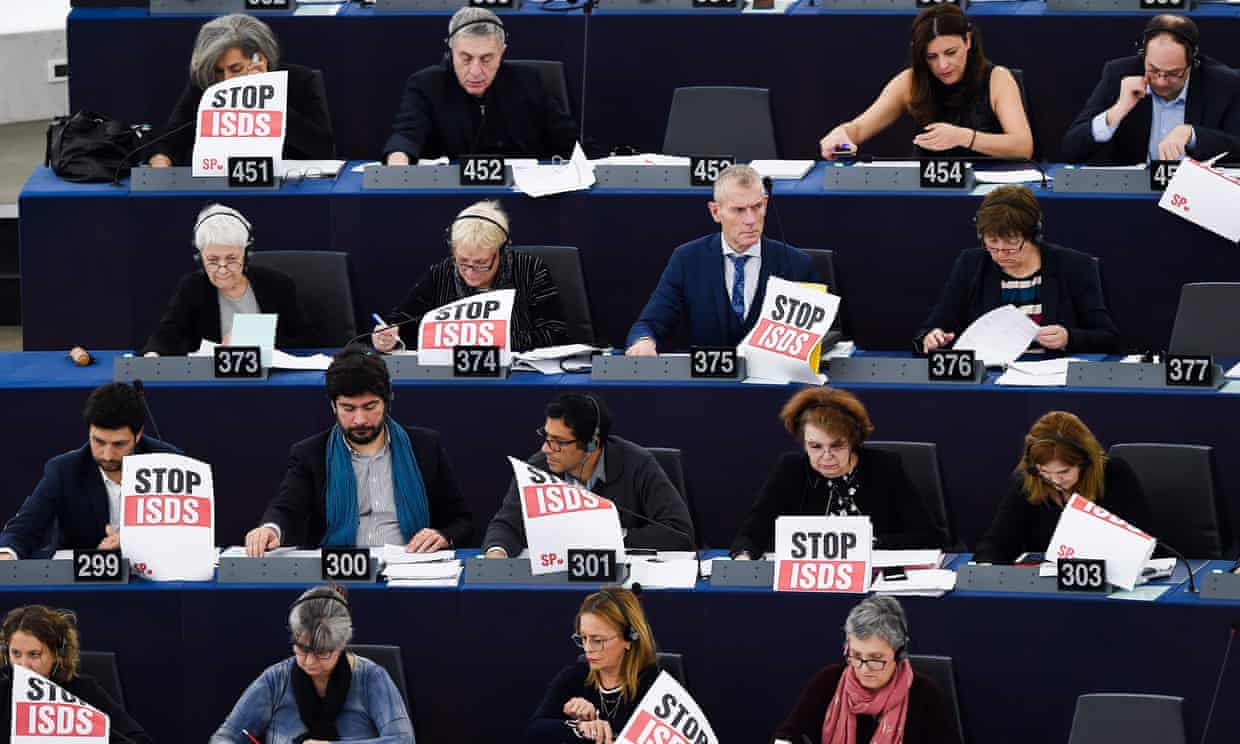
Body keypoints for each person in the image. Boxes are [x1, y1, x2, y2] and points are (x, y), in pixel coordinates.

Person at [245, 346, 472, 557]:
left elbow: (461, 521)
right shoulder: (310, 454)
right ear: (333, 406)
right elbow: (286, 508)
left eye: (370, 407)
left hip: (410, 565)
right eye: (348, 408)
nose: (360, 420)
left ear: (387, 401)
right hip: (339, 571)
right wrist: (270, 529)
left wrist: (443, 536)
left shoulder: (425, 446)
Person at [731, 388, 946, 559]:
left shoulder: (885, 467)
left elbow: (931, 537)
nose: (826, 456)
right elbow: (752, 533)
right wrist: (744, 556)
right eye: (815, 447)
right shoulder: (790, 470)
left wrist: (870, 543)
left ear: (853, 441)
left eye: (837, 446)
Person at [625, 164, 819, 354]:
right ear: (715, 212)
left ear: (766, 204)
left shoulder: (797, 265)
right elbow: (649, 324)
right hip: (707, 374)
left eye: (757, 207)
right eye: (739, 210)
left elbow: (817, 337)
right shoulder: (687, 260)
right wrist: (644, 342)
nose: (751, 220)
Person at [915, 185, 1120, 355]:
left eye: (1011, 246)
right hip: (991, 375)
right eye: (992, 244)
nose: (1001, 254)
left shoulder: (1074, 266)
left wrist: (1069, 338)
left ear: (1033, 235)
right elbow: (936, 325)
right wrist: (933, 336)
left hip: (1051, 372)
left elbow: (1108, 338)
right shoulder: (971, 264)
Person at [483, 393, 695, 557]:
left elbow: (680, 532)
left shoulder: (638, 464)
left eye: (559, 442)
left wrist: (610, 537)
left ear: (592, 444)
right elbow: (506, 524)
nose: (546, 449)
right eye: (546, 437)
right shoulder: (538, 468)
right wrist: (497, 552)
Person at [817, 5, 1032, 161]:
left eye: (951, 52)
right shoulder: (910, 81)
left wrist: (963, 137)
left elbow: (1023, 146)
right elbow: (858, 128)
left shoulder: (997, 78)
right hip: (927, 191)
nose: (943, 65)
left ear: (967, 41)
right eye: (932, 57)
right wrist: (841, 134)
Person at [210, 585, 414, 743]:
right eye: (301, 648)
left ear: (341, 645)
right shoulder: (276, 680)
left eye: (321, 653)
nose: (308, 662)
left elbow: (404, 740)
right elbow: (225, 736)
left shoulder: (372, 679)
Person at [0, 383, 181, 560]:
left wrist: (132, 543)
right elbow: (23, 529)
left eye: (119, 444)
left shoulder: (171, 464)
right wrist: (6, 555)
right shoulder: (64, 470)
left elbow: (187, 534)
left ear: (138, 434)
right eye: (99, 442)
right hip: (80, 576)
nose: (108, 455)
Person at [383, 8, 577, 164]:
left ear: (502, 52)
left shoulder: (529, 81)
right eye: (466, 58)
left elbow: (568, 142)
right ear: (451, 49)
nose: (475, 71)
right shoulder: (426, 85)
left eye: (486, 59)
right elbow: (406, 136)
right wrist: (398, 163)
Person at [371, 200, 567, 353]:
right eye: (463, 261)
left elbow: (556, 333)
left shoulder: (530, 271)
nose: (471, 271)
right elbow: (401, 322)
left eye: (481, 263)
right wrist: (387, 336)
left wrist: (487, 340)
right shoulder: (441, 274)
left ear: (501, 251)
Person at [147, 13, 334, 167]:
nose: (226, 79)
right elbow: (170, 141)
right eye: (219, 71)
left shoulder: (299, 81)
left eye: (235, 69)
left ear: (260, 59)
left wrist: (269, 99)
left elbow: (322, 149)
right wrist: (162, 158)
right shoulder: (206, 85)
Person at [974, 411, 1153, 564]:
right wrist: (985, 566)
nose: (1054, 480)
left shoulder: (1114, 474)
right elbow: (997, 543)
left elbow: (1144, 540)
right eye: (1045, 472)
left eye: (1064, 471)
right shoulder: (1030, 481)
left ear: (1085, 462)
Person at [773, 596, 956, 744]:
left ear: (899, 654)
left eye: (876, 659)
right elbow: (790, 733)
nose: (863, 668)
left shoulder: (925, 695)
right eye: (855, 655)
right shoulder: (828, 682)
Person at [1062, 15, 1240, 165]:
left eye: (1174, 73)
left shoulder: (1223, 84)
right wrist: (1118, 110)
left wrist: (1192, 134)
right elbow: (1071, 149)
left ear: (1193, 58)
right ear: (1143, 54)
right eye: (1153, 70)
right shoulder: (1119, 75)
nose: (1161, 81)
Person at [142, 203, 314, 356]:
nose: (223, 269)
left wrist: (251, 340)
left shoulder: (277, 285)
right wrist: (153, 353)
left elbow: (306, 338)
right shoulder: (192, 288)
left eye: (231, 259)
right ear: (200, 258)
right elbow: (169, 331)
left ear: (246, 254)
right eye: (213, 260)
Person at [0, 605, 154, 744]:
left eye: (34, 654)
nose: (23, 665)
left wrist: (87, 728)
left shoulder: (84, 691)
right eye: (16, 654)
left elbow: (140, 740)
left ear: (57, 654)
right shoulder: (3, 691)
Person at [527, 587, 660, 744]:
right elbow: (535, 730)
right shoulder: (575, 677)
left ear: (629, 638)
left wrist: (596, 721)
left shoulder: (654, 686)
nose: (588, 648)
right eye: (583, 638)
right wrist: (579, 727)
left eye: (597, 640)